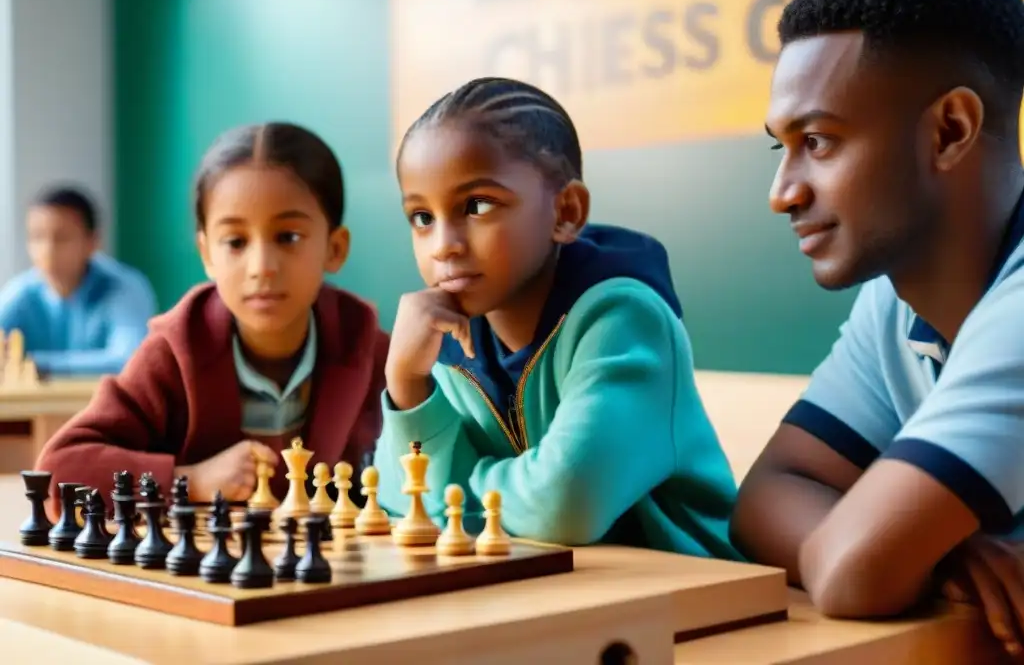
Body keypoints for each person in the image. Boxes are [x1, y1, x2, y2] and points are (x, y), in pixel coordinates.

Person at [730, 0, 1024, 655]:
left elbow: (856, 573)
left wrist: (891, 544)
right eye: (782, 147)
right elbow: (766, 496)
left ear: (950, 130)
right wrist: (931, 545)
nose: (783, 192)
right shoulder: (897, 302)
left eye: (820, 142)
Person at [372, 76, 740, 559]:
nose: (443, 245)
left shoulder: (624, 320)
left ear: (565, 211)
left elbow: (565, 506)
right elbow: (395, 501)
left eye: (477, 206)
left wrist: (454, 489)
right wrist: (406, 384)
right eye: (421, 217)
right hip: (551, 594)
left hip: (697, 603)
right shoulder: (444, 337)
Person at [36, 123, 388, 515]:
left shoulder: (372, 351)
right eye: (236, 242)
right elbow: (57, 473)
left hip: (338, 572)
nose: (261, 267)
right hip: (212, 570)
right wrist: (192, 480)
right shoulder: (173, 352)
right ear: (207, 254)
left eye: (288, 237)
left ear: (334, 248)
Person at [0, 186, 157, 376]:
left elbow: (129, 360)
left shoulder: (125, 288)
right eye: (37, 237)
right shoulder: (20, 293)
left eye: (62, 238)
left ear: (92, 241)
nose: (48, 250)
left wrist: (32, 364)